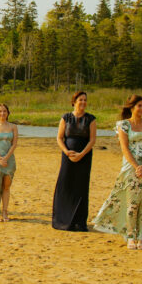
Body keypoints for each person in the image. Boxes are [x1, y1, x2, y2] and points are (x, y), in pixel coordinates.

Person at [93, 94, 142, 249]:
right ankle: (130, 235)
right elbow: (124, 148)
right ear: (132, 107)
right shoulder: (123, 125)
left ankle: (141, 235)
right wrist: (136, 167)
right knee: (131, 202)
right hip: (130, 166)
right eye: (139, 106)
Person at [51, 91, 97, 231]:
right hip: (68, 155)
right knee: (65, 184)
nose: (83, 102)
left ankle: (79, 221)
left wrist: (82, 154)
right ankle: (62, 219)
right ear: (74, 101)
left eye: (85, 100)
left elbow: (92, 140)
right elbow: (59, 138)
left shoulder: (91, 119)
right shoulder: (66, 117)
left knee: (81, 186)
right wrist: (66, 151)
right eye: (80, 100)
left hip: (84, 156)